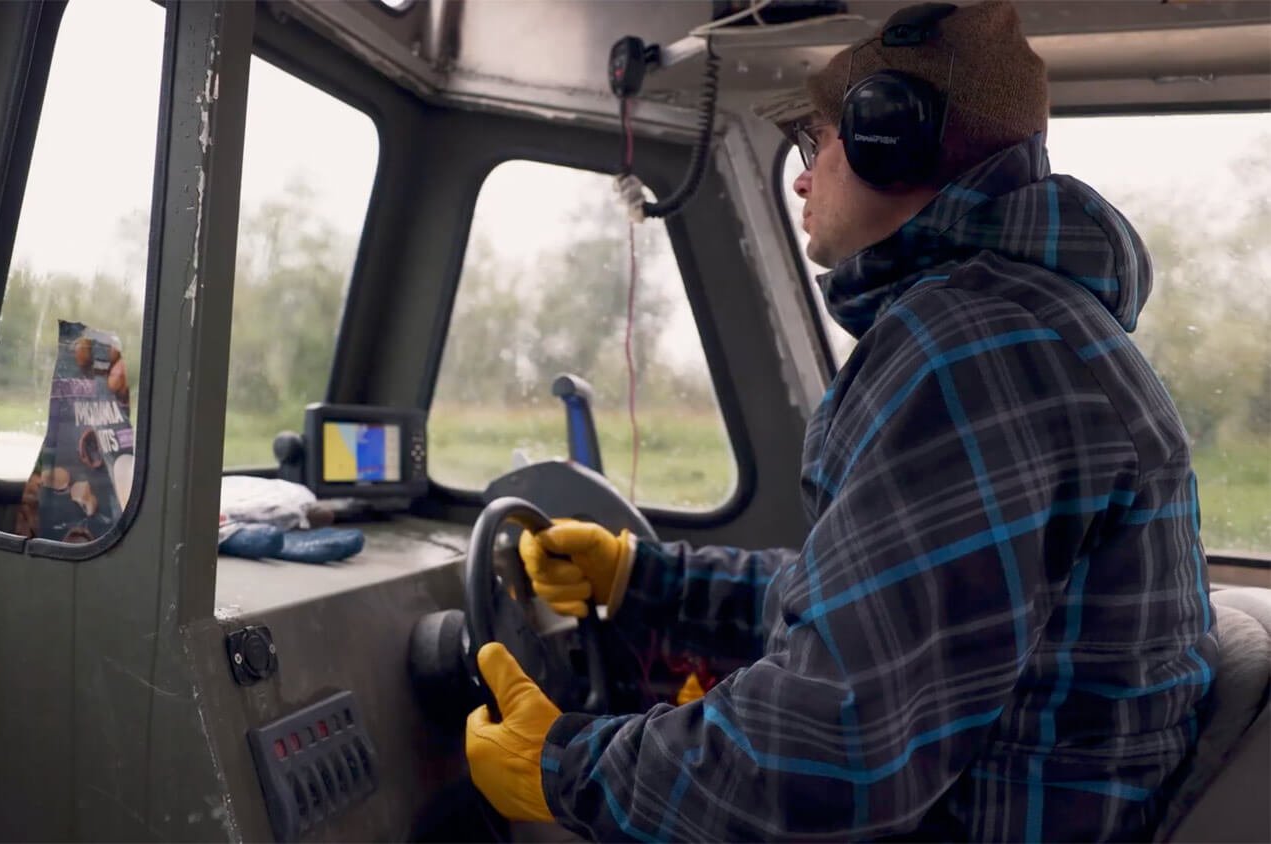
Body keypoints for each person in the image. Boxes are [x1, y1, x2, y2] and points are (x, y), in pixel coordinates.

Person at [462, 1, 1218, 840]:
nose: (799, 177)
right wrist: (648, 581)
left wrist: (564, 766)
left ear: (887, 141)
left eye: (813, 142)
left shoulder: (969, 352)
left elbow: (827, 753)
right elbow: (871, 612)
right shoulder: (1021, 324)